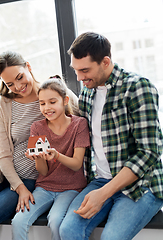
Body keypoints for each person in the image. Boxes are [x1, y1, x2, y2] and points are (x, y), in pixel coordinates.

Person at [0, 51, 79, 240]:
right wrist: (19, 187)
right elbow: (4, 154)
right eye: (10, 84)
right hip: (5, 173)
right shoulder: (3, 105)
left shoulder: (53, 94)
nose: (18, 86)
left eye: (20, 77)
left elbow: (80, 121)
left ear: (28, 67)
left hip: (33, 179)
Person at [59, 32, 163, 240]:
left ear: (105, 62)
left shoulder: (137, 87)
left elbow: (149, 152)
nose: (79, 77)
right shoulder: (87, 92)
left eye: (85, 70)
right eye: (76, 70)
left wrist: (104, 193)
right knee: (68, 230)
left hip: (141, 185)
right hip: (101, 180)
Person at [11, 75, 90, 240]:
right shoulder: (37, 127)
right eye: (42, 103)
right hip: (44, 188)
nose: (47, 108)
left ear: (65, 100)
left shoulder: (79, 124)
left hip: (71, 188)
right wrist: (38, 158)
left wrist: (56, 155)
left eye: (52, 102)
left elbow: (76, 164)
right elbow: (44, 172)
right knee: (18, 221)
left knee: (55, 221)